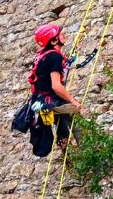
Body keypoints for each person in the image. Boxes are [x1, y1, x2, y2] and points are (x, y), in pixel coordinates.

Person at [28, 24, 82, 155]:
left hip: (43, 103)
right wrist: (73, 101)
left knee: (61, 129)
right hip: (55, 102)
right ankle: (96, 164)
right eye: (60, 35)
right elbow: (56, 86)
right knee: (80, 128)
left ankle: (68, 157)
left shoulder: (42, 56)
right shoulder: (54, 57)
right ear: (53, 41)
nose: (64, 35)